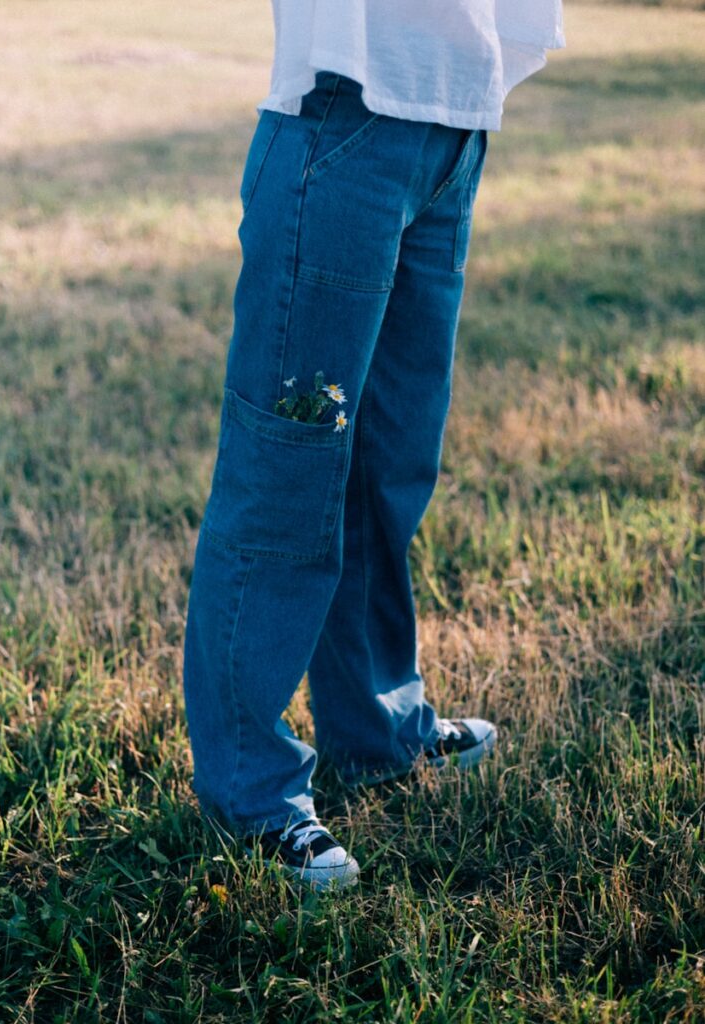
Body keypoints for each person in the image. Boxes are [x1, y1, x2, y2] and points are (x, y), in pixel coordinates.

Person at [183, 0, 566, 891]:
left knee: (386, 467)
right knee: (285, 472)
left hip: (452, 128)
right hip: (343, 117)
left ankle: (376, 728)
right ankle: (250, 791)